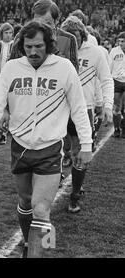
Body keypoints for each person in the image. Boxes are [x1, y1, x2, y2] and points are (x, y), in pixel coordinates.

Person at [0, 21, 93, 258]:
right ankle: (29, 243)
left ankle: (44, 253)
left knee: (42, 209)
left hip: (50, 149)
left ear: (49, 45)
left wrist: (87, 144)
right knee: (26, 202)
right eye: (28, 46)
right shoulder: (12, 68)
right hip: (19, 147)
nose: (33, 52)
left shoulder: (64, 67)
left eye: (38, 46)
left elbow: (79, 108)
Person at [8, 0, 79, 180]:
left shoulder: (68, 39)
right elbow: (11, 67)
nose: (42, 26)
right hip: (27, 97)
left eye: (47, 22)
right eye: (37, 21)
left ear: (56, 21)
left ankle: (54, 168)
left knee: (54, 135)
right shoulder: (21, 37)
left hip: (54, 100)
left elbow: (73, 73)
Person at [60, 16, 113, 213]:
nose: (72, 42)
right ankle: (54, 178)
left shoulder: (96, 52)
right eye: (68, 37)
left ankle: (74, 194)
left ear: (83, 35)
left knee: (80, 152)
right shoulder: (58, 50)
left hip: (84, 109)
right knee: (53, 148)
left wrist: (106, 104)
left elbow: (106, 79)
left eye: (76, 37)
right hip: (58, 107)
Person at [0, 22, 14, 145]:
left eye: (10, 33)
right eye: (6, 32)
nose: (8, 35)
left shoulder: (15, 46)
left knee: (8, 107)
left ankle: (4, 133)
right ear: (1, 34)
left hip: (10, 81)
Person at [108, 31, 125, 138]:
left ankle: (124, 129)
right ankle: (117, 129)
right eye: (119, 41)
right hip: (117, 81)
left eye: (123, 41)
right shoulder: (114, 51)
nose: (120, 43)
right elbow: (109, 66)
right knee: (116, 107)